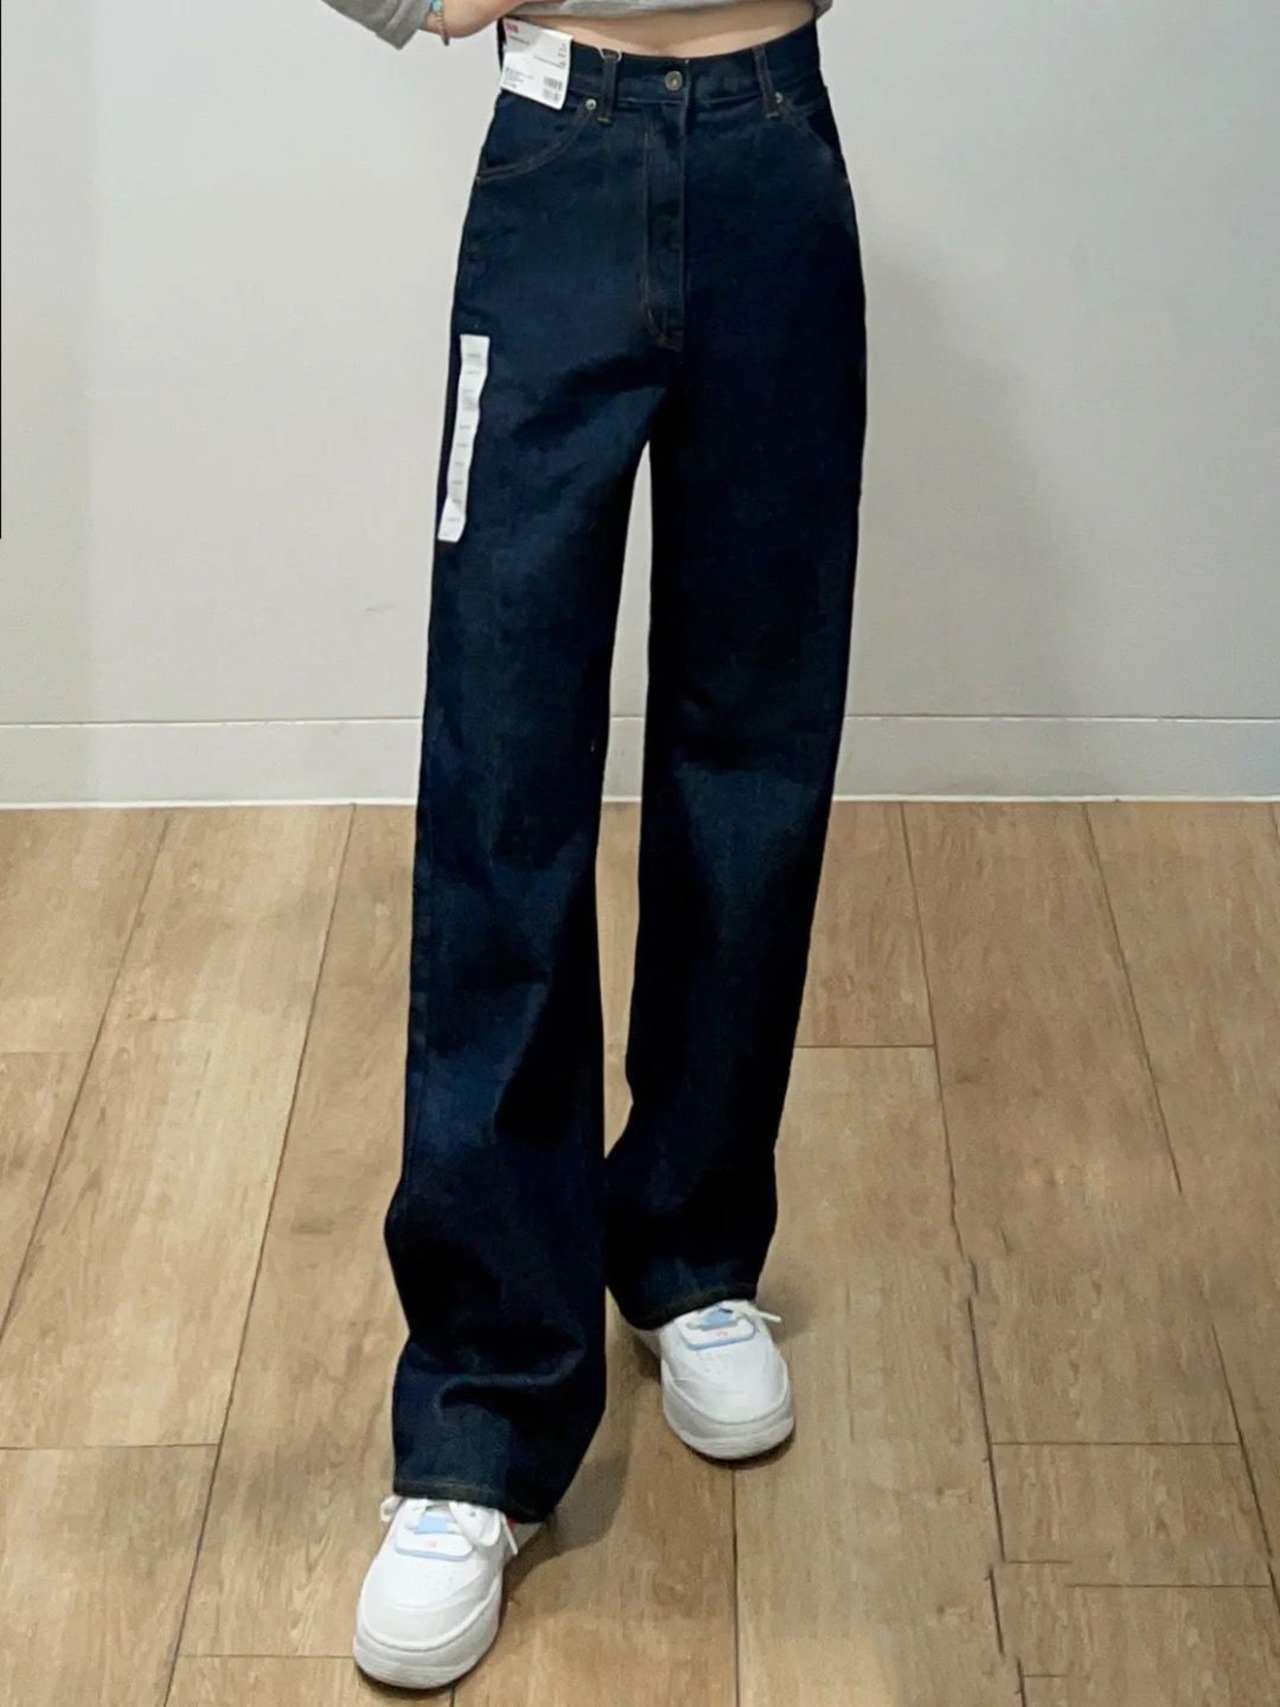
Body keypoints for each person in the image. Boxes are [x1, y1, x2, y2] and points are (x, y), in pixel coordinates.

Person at [320, 0, 866, 1686]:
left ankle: (693, 1251)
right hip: (560, 162)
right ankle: (481, 1414)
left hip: (779, 149)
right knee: (505, 767)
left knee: (751, 742)